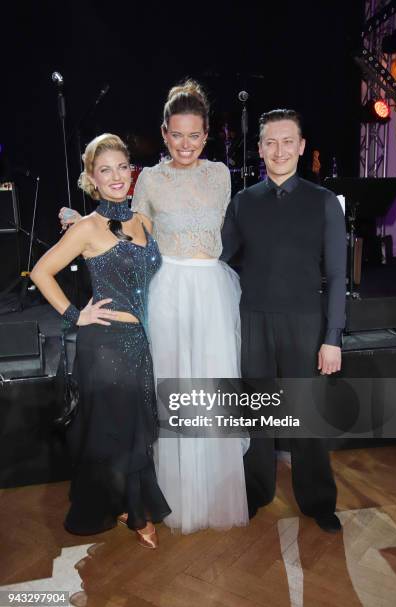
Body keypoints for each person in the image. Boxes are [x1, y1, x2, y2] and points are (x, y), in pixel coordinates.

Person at [60, 81, 249, 534]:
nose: (186, 144)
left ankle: (216, 495)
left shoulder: (221, 175)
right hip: (164, 294)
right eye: (177, 135)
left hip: (211, 294)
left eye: (195, 135)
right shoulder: (149, 179)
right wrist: (79, 226)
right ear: (164, 133)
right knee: (167, 392)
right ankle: (170, 498)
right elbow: (127, 229)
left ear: (207, 136)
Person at [32, 133, 170, 547]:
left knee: (133, 427)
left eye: (121, 167)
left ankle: (127, 501)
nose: (115, 176)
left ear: (131, 171)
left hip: (140, 341)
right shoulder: (87, 228)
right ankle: (134, 512)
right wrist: (77, 315)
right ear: (92, 177)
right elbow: (41, 272)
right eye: (104, 169)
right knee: (121, 429)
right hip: (105, 345)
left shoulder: (143, 221)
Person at [221, 109, 347, 533]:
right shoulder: (242, 203)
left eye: (287, 141)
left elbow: (337, 275)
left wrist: (333, 336)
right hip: (253, 320)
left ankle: (318, 500)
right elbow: (216, 260)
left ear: (301, 145)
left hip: (305, 323)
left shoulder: (324, 201)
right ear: (259, 149)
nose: (279, 150)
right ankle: (256, 491)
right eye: (270, 142)